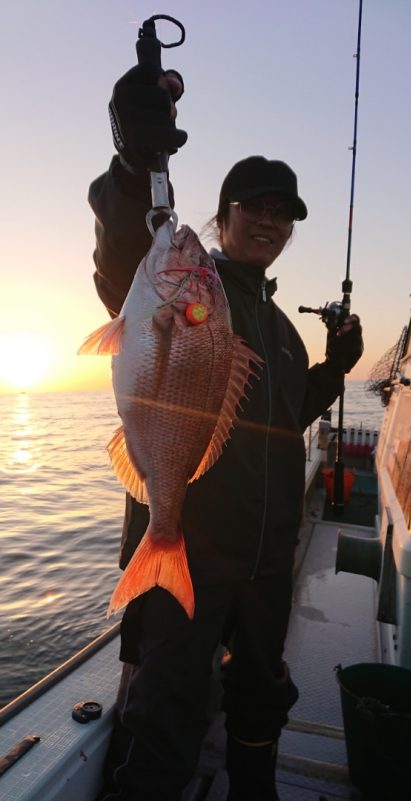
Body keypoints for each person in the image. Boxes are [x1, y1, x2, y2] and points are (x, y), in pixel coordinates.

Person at [89, 63, 363, 801]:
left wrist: (334, 369)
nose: (270, 222)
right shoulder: (185, 286)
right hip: (195, 559)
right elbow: (122, 254)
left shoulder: (278, 329)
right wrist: (134, 164)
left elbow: (279, 425)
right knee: (167, 712)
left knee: (260, 697)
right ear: (223, 214)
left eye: (285, 213)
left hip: (267, 561)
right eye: (255, 206)